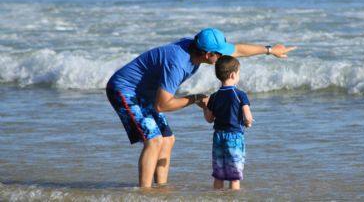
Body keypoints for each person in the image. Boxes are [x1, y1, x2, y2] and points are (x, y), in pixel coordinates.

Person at [106, 27, 296, 188]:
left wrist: (270, 50)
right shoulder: (177, 64)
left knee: (168, 139)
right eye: (219, 54)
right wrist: (195, 98)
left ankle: (160, 188)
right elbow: (162, 105)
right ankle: (145, 193)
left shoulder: (196, 48)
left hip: (144, 91)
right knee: (154, 141)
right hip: (124, 90)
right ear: (207, 54)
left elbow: (237, 49)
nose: (224, 56)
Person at [203, 55, 253, 190]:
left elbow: (209, 119)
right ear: (233, 75)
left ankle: (217, 198)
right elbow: (247, 117)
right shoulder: (240, 94)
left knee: (219, 175)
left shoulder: (214, 96)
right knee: (234, 176)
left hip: (218, 137)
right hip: (234, 137)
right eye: (239, 73)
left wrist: (204, 107)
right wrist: (248, 123)